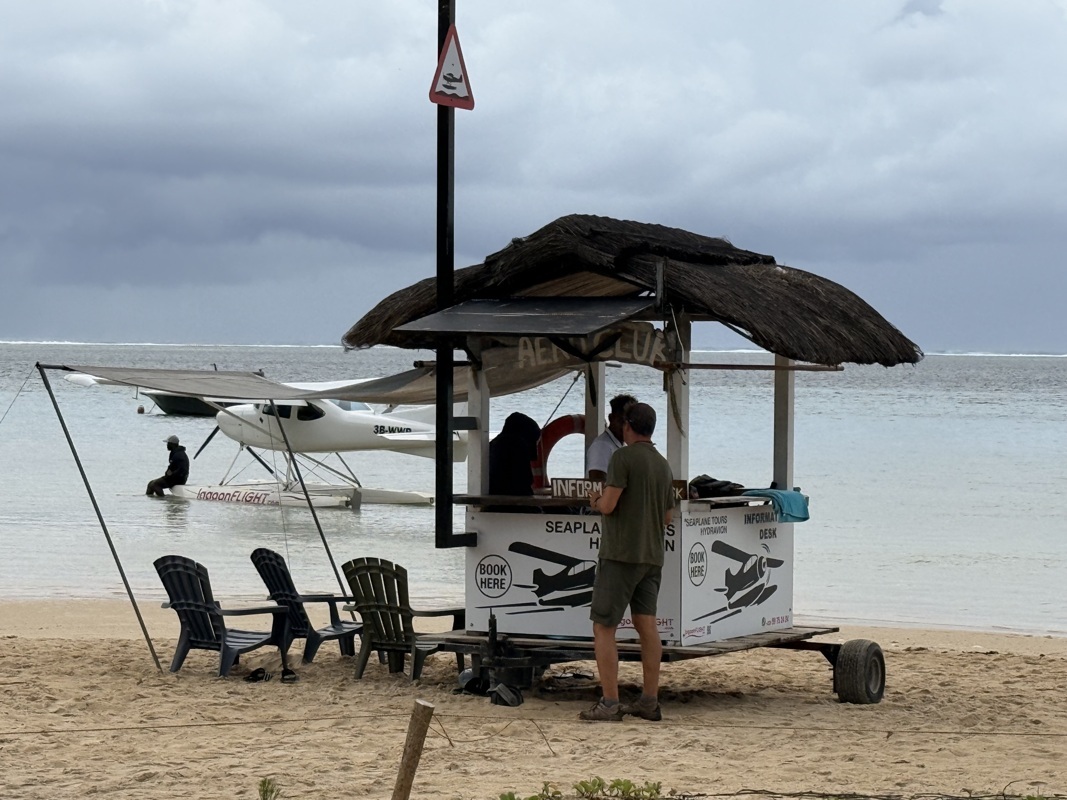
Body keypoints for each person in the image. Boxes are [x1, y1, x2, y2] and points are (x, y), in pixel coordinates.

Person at [582, 402, 674, 722]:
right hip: (652, 556)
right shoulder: (662, 464)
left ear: (627, 426)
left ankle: (610, 702)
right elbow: (667, 517)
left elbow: (609, 505)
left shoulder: (622, 457)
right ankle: (649, 700)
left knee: (603, 626)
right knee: (647, 626)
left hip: (620, 555)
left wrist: (596, 500)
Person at [585, 393, 638, 483]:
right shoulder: (602, 446)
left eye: (630, 422)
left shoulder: (620, 445)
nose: (626, 427)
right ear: (611, 418)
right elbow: (597, 482)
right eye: (622, 421)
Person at [487, 412, 542, 497]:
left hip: (492, 496)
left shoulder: (492, 444)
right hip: (515, 498)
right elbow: (525, 479)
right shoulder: (518, 445)